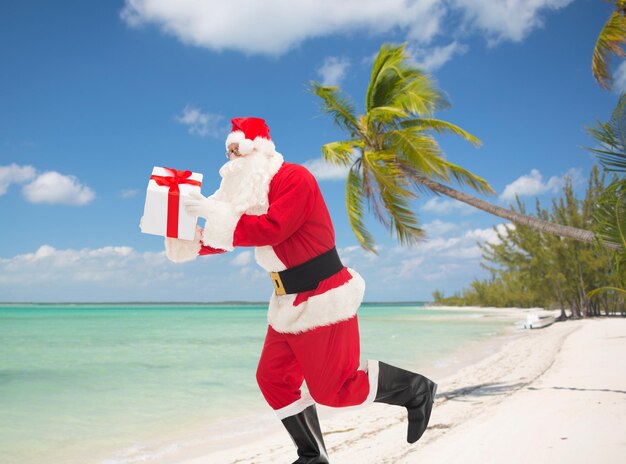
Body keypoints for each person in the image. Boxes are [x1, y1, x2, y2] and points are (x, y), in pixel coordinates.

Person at [164, 117, 437, 463]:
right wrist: (191, 240)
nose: (231, 160)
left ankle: (415, 390)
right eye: (228, 152)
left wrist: (216, 215)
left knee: (334, 391)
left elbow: (271, 229)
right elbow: (232, 235)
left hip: (323, 295)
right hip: (287, 301)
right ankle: (313, 456)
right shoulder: (252, 194)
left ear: (258, 150)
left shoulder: (296, 178)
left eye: (237, 150)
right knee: (273, 378)